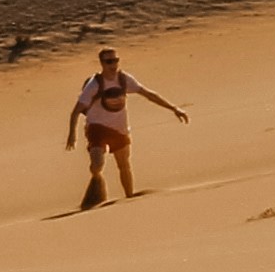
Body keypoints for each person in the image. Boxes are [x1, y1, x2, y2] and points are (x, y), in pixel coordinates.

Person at [64, 45, 189, 209]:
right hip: (97, 128)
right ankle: (97, 179)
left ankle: (130, 200)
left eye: (115, 60)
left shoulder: (124, 79)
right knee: (97, 164)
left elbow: (148, 94)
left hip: (119, 129)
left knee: (124, 165)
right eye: (109, 61)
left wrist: (174, 108)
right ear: (102, 63)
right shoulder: (94, 84)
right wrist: (72, 134)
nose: (113, 64)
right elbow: (76, 111)